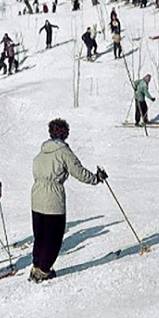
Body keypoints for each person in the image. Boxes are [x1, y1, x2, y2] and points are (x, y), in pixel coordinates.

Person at [30, 119, 106, 283]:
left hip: (36, 196)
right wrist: (95, 178)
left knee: (40, 235)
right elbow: (77, 170)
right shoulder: (63, 151)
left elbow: (35, 168)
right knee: (53, 236)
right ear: (64, 133)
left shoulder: (42, 150)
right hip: (53, 199)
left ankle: (36, 266)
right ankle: (44, 270)